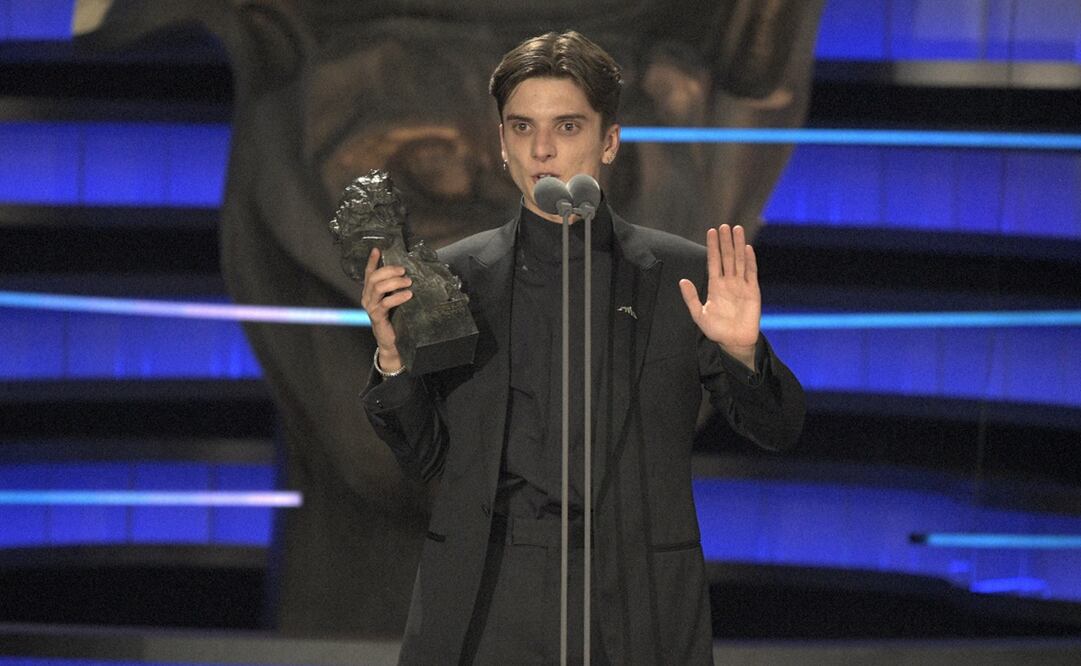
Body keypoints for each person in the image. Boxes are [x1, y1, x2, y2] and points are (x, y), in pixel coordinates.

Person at [361, 31, 804, 665]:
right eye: (522, 127)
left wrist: (741, 353)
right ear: (502, 144)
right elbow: (427, 457)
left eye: (567, 126)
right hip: (488, 595)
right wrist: (393, 359)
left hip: (634, 595)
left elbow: (778, 429)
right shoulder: (451, 279)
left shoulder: (679, 277)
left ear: (609, 141)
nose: (543, 149)